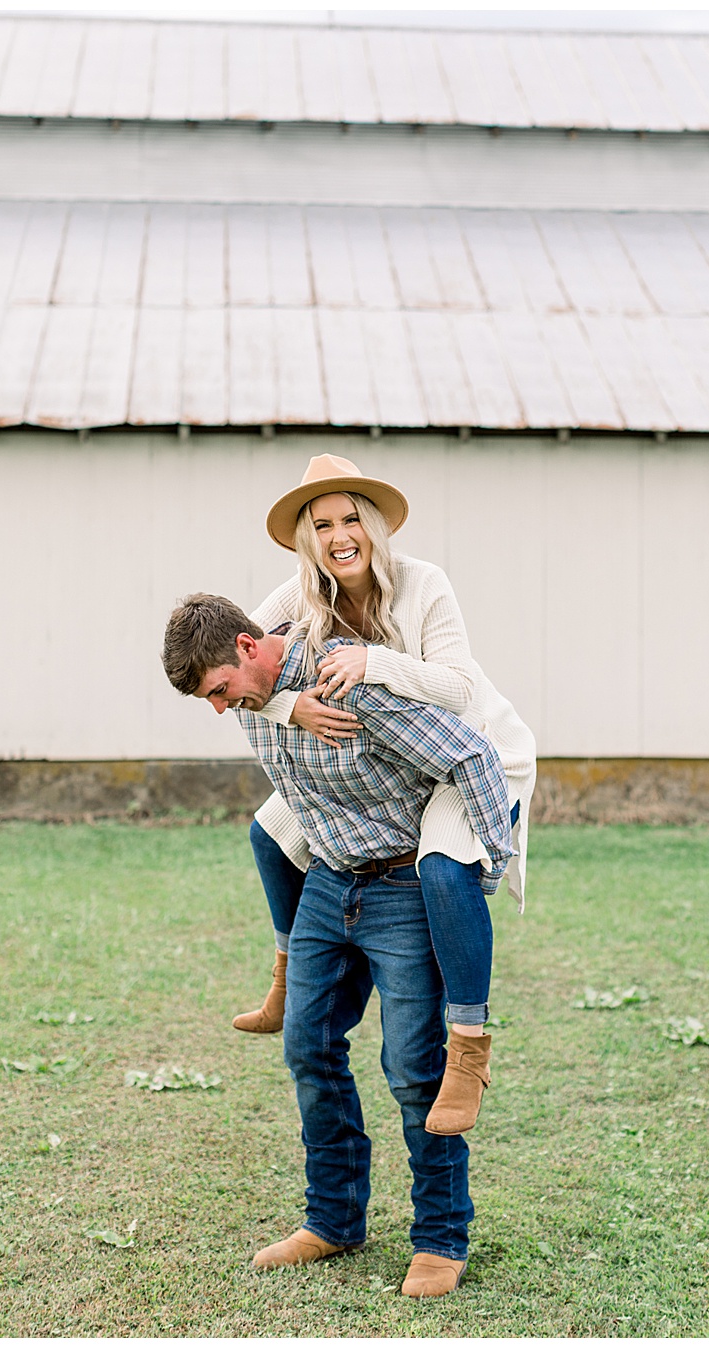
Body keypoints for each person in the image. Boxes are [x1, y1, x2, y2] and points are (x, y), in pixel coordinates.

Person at [161, 592, 514, 1299]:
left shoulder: (344, 684)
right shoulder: (261, 693)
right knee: (308, 1047)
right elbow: (269, 689)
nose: (221, 710)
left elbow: (471, 755)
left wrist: (486, 865)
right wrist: (279, 706)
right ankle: (333, 1221)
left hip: (403, 889)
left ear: (246, 648)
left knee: (415, 1068)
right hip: (328, 883)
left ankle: (441, 1238)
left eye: (220, 692)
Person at [230, 454, 536, 1138]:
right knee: (269, 831)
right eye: (323, 524)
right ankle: (286, 971)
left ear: (371, 524)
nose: (340, 536)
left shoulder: (424, 583)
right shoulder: (303, 590)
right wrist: (293, 711)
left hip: (474, 752)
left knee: (439, 865)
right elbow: (240, 654)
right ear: (308, 538)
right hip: (400, 764)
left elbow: (458, 689)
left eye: (350, 519)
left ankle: (469, 1043)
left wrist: (374, 660)